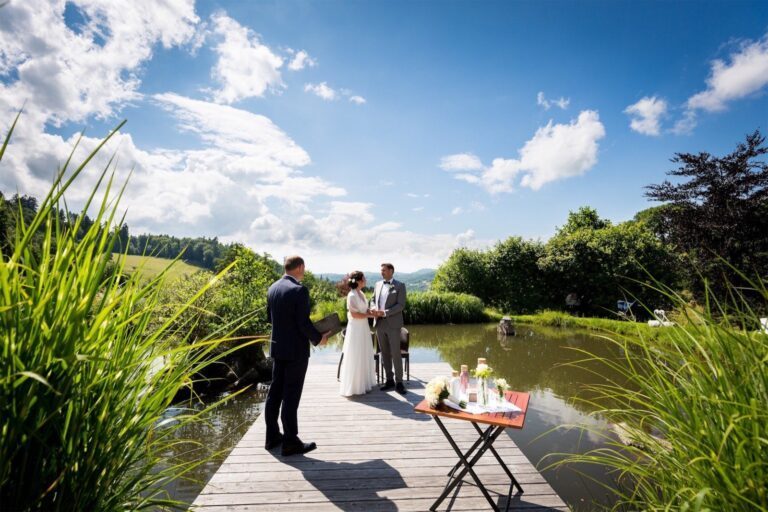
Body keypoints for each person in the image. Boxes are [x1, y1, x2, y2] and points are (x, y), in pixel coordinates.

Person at [264, 255, 329, 456]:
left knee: (275, 393)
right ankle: (290, 442)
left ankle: (272, 437)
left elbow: (270, 318)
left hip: (277, 348)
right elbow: (303, 323)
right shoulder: (299, 290)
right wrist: (319, 338)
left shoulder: (273, 288)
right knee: (291, 396)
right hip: (295, 352)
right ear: (300, 267)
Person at [339, 271, 377, 397]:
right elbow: (354, 314)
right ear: (359, 281)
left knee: (364, 353)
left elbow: (363, 309)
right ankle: (355, 386)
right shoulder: (352, 295)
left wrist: (371, 311)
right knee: (356, 354)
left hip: (363, 328)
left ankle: (364, 383)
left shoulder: (361, 293)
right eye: (364, 278)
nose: (366, 280)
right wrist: (369, 315)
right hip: (355, 329)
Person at [371, 262, 407, 394]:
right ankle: (389, 380)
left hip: (393, 324)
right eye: (381, 270)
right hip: (380, 323)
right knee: (384, 353)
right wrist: (374, 307)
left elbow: (401, 305)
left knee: (395, 354)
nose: (382, 272)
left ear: (391, 271)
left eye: (384, 270)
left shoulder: (400, 285)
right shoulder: (377, 284)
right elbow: (373, 299)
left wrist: (385, 312)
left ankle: (399, 382)